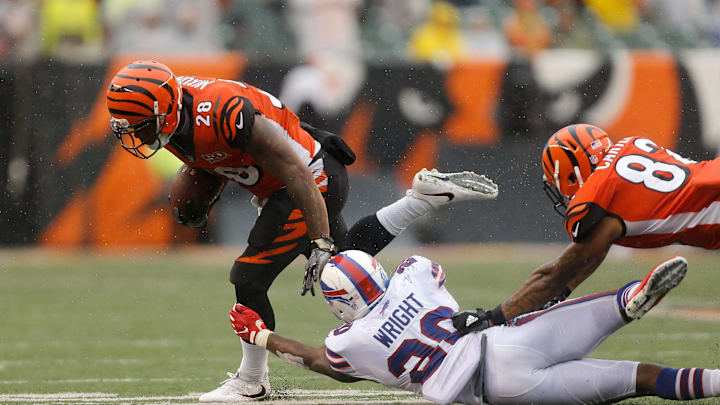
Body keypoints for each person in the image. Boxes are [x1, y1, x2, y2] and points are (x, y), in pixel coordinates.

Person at [105, 60, 499, 401]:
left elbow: (294, 168)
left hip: (309, 179)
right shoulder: (178, 111)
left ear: (166, 110)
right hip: (285, 181)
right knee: (345, 257)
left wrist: (318, 237)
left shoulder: (221, 111)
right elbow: (224, 154)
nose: (135, 135)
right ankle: (423, 199)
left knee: (249, 275)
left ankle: (251, 382)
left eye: (140, 125)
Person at [228, 251, 719, 404]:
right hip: (503, 340)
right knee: (597, 310)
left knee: (639, 380)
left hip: (498, 390)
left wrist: (262, 336)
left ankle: (626, 306)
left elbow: (319, 362)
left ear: (339, 304)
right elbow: (429, 268)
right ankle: (627, 301)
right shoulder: (412, 274)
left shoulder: (347, 341)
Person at [471, 123, 720, 330]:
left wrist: (492, 318)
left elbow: (554, 275)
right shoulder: (629, 149)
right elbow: (591, 254)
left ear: (572, 173)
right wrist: (562, 292)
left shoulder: (602, 203)